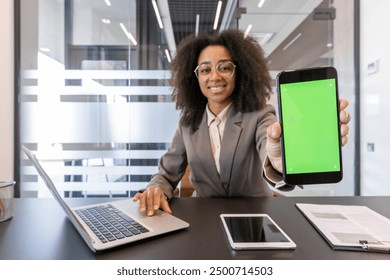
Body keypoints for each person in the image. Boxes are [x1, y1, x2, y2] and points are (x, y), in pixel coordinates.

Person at [133, 29, 351, 216]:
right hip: (202, 219)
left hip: (254, 217)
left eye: (225, 67)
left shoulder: (260, 114)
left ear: (240, 72)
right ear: (195, 77)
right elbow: (166, 174)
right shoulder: (187, 124)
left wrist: (280, 161)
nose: (215, 76)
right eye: (205, 69)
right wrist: (156, 190)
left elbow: (270, 148)